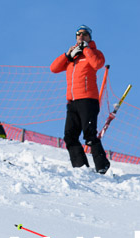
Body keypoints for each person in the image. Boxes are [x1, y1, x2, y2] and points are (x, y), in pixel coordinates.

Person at [50, 25, 110, 174]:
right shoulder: (73, 58)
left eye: (84, 34)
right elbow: (53, 68)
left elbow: (97, 64)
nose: (81, 36)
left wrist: (86, 50)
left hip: (88, 100)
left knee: (89, 135)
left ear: (90, 38)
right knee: (69, 136)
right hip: (72, 102)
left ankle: (102, 165)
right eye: (78, 34)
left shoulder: (94, 53)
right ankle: (80, 167)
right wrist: (67, 55)